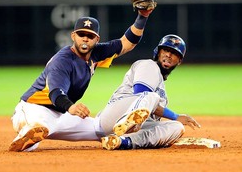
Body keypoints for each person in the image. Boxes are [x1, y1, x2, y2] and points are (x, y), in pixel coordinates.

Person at [9, 9, 153, 152]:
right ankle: (26, 136)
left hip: (63, 115)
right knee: (38, 128)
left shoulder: (96, 53)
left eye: (90, 36)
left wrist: (142, 16)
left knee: (100, 129)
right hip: (34, 108)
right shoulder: (62, 61)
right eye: (81, 34)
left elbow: (127, 43)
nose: (85, 39)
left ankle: (127, 139)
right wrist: (71, 107)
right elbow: (55, 93)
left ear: (97, 39)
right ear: (73, 36)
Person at [98, 34, 201, 150]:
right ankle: (128, 123)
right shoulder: (149, 65)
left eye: (174, 53)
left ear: (179, 61)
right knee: (151, 96)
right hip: (115, 116)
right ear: (158, 52)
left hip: (133, 127)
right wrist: (175, 116)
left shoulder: (161, 87)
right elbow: (142, 95)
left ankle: (123, 141)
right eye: (166, 50)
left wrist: (176, 120)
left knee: (177, 127)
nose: (168, 55)